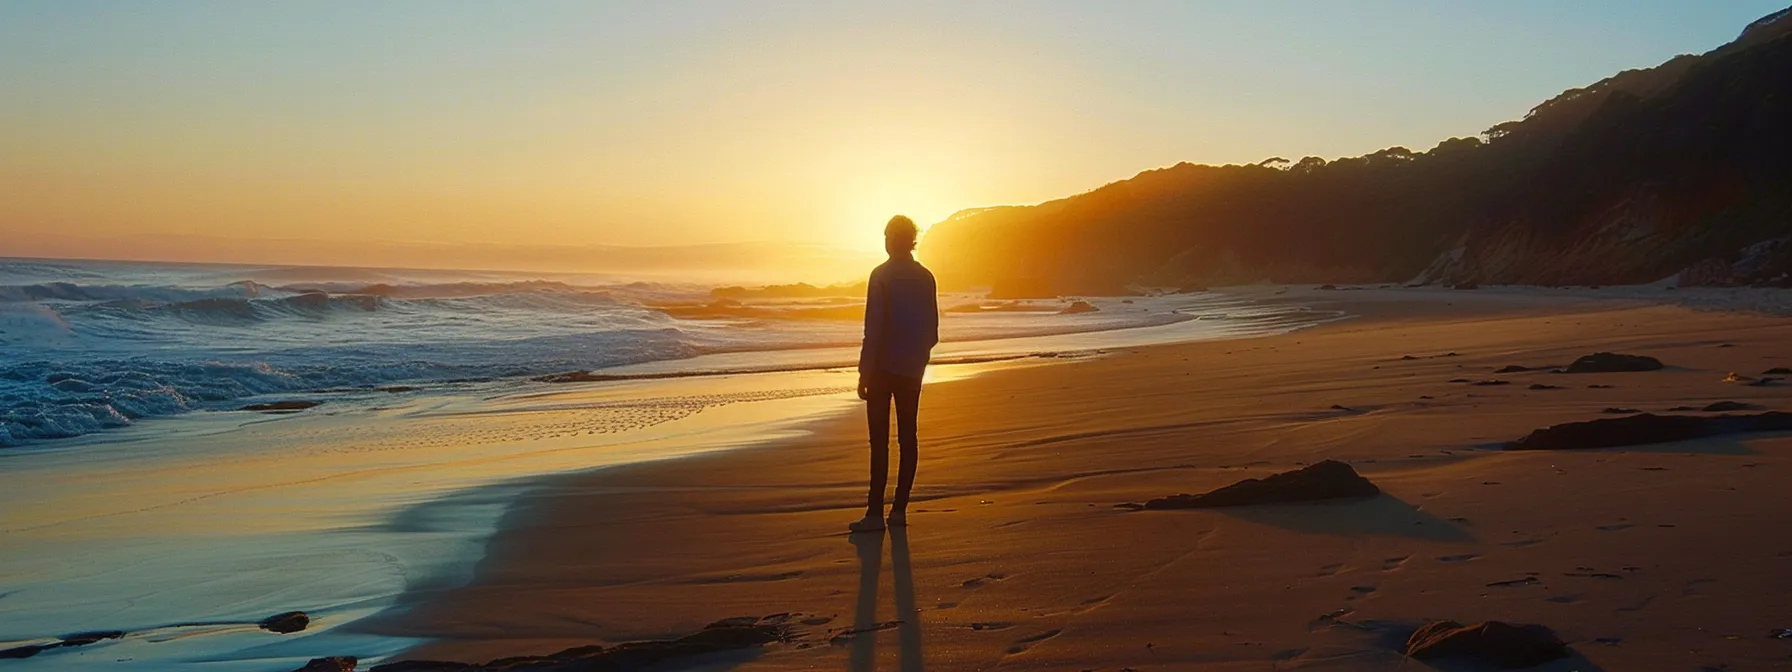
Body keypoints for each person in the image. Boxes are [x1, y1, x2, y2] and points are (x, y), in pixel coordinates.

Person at [849, 215, 939, 534]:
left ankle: (875, 513)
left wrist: (864, 372)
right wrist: (918, 362)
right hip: (912, 371)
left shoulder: (881, 276)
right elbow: (932, 331)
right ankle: (899, 509)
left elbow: (873, 330)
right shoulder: (926, 277)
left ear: (892, 239)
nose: (886, 241)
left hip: (882, 370)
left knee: (880, 443)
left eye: (887, 235)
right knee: (908, 438)